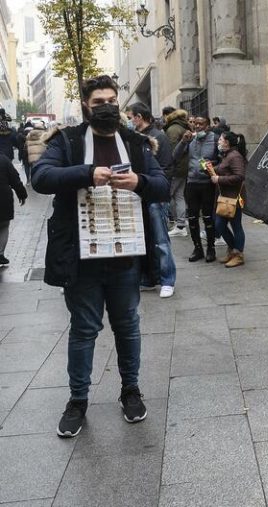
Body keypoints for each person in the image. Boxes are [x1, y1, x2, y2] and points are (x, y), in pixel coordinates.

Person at [32, 75, 169, 438]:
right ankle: (78, 400)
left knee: (128, 328)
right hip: (82, 260)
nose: (106, 106)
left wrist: (139, 182)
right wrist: (86, 174)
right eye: (98, 102)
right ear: (85, 106)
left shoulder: (136, 144)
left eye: (111, 100)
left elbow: (163, 187)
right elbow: (41, 176)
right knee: (84, 330)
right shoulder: (69, 141)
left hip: (126, 258)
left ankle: (130, 391)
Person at [128, 102, 176, 298]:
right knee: (147, 239)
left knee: (161, 240)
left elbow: (166, 168)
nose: (130, 121)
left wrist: (155, 187)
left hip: (155, 196)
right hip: (142, 195)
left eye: (131, 117)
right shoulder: (137, 138)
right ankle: (149, 278)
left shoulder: (158, 136)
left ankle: (168, 280)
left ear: (139, 117)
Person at [172, 115, 217, 262]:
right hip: (192, 182)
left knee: (208, 217)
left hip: (207, 183)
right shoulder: (190, 138)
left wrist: (213, 167)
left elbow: (222, 159)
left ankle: (211, 248)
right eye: (195, 124)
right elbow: (176, 156)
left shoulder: (214, 139)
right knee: (192, 217)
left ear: (208, 126)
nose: (197, 127)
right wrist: (183, 141)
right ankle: (197, 248)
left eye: (201, 124)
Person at [211, 131, 247, 268]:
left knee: (236, 226)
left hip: (234, 199)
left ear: (227, 142)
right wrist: (210, 168)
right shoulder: (227, 155)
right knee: (219, 225)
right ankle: (233, 250)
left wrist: (219, 179)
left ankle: (238, 255)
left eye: (220, 139)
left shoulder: (234, 156)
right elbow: (223, 169)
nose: (218, 141)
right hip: (225, 198)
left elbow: (239, 176)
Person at [162, 106, 190, 237]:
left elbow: (172, 152)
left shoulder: (173, 128)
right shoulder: (183, 126)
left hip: (175, 167)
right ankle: (181, 223)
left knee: (169, 195)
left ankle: (179, 224)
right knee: (179, 195)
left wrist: (168, 166)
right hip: (183, 167)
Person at [0, 153, 27, 266]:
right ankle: (0, 253)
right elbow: (15, 178)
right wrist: (22, 194)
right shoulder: (3, 159)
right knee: (3, 226)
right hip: (3, 199)